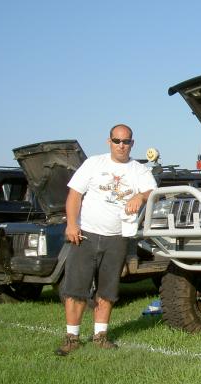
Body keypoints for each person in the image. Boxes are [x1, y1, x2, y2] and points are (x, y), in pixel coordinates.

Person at [55, 124, 157, 356]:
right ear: (108, 142)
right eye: (117, 141)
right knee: (75, 288)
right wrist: (72, 224)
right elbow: (74, 195)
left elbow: (152, 191)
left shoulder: (139, 170)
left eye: (126, 142)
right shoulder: (94, 164)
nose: (121, 146)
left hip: (117, 238)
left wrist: (140, 196)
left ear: (132, 143)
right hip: (86, 235)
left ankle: (101, 335)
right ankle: (72, 337)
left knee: (108, 289)